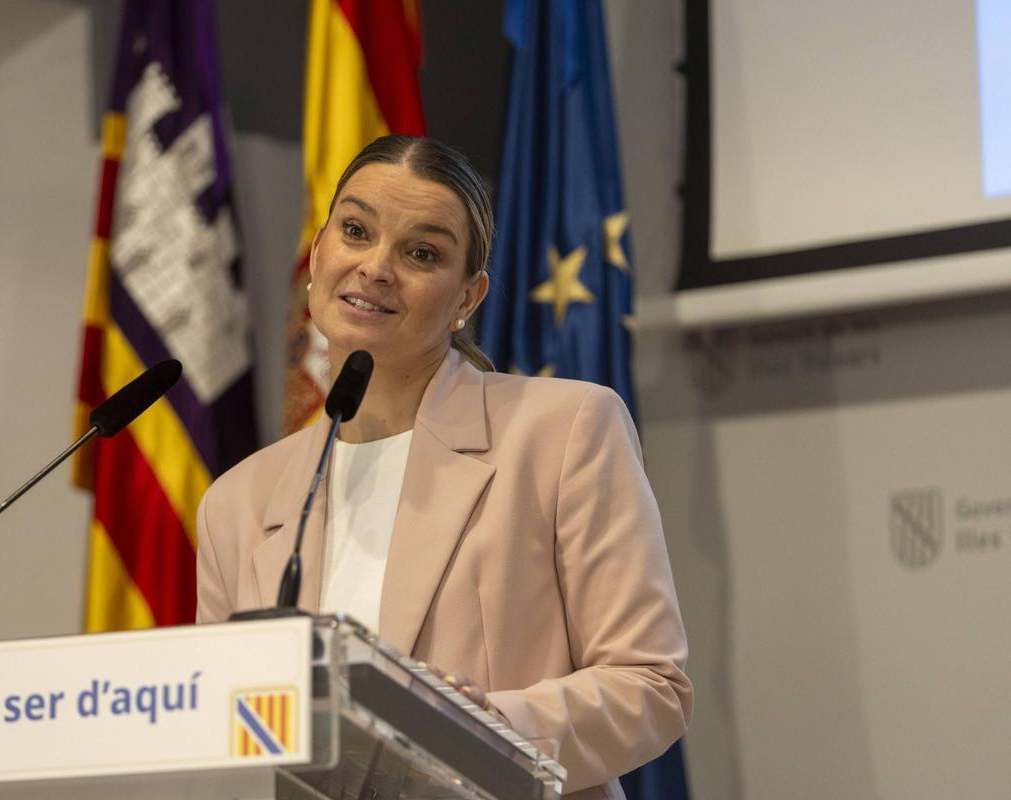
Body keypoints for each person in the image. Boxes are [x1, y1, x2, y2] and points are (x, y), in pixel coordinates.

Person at [196, 135, 691, 799]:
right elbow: (222, 731)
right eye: (355, 231)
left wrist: (490, 729)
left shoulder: (562, 431)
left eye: (421, 252)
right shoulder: (239, 502)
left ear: (467, 297)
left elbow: (650, 685)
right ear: (318, 256)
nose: (375, 267)